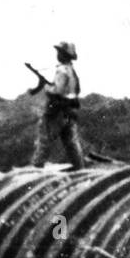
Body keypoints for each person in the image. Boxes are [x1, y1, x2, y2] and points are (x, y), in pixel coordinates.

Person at [29, 41, 85, 170]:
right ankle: (80, 169)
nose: (58, 55)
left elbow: (58, 91)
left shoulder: (61, 70)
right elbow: (76, 90)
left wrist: (47, 86)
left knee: (44, 142)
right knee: (72, 144)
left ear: (63, 55)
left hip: (56, 111)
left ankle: (36, 170)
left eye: (59, 52)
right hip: (69, 111)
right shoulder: (72, 71)